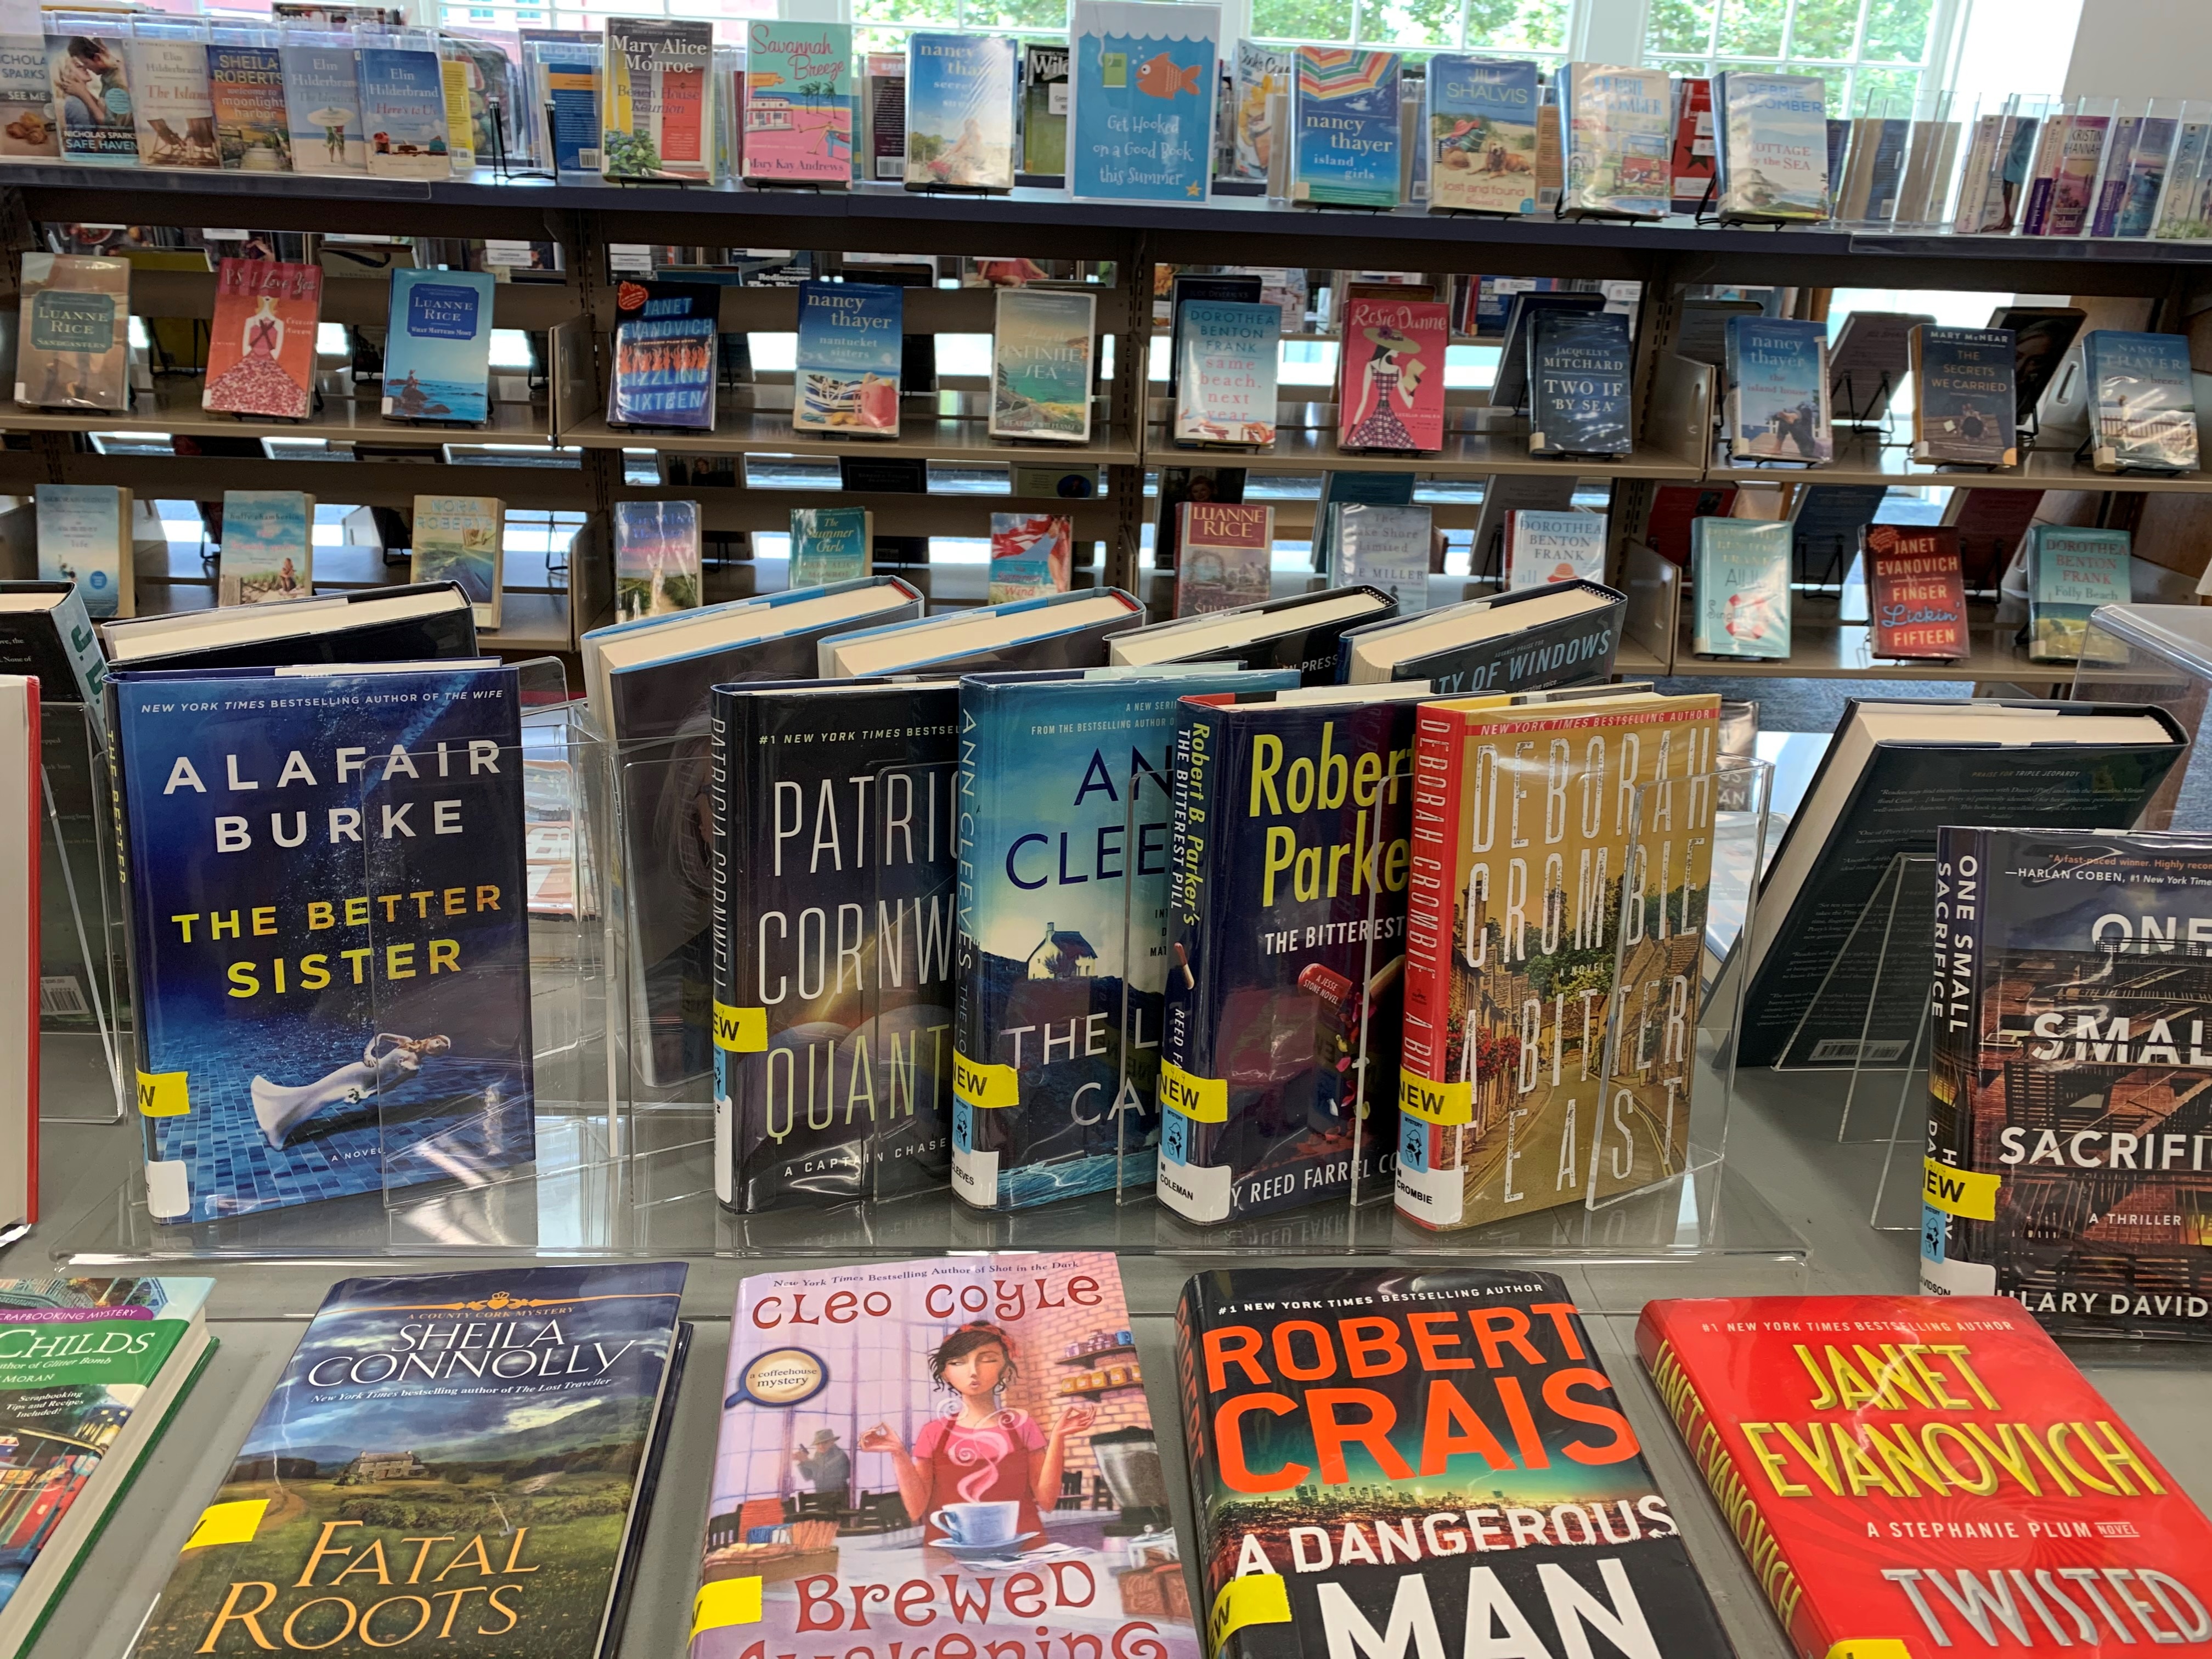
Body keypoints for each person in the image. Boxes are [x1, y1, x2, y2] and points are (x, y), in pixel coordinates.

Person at [861, 1322, 1096, 1548]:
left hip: (1023, 1547)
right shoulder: (933, 1433)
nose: (973, 1372)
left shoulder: (1023, 1426)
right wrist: (898, 1453)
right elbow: (916, 1510)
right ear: (945, 1373)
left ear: (1006, 1369)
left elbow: (1047, 1502)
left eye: (988, 1360)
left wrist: (1058, 1438)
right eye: (958, 1362)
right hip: (949, 1550)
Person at [792, 1430, 851, 1500]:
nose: (821, 1446)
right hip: (821, 1496)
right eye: (818, 1444)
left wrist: (806, 1460)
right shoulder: (819, 1455)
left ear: (832, 1442)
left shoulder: (840, 1455)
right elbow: (809, 1476)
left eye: (825, 1443)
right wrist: (801, 1461)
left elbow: (823, 1471)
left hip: (839, 1497)